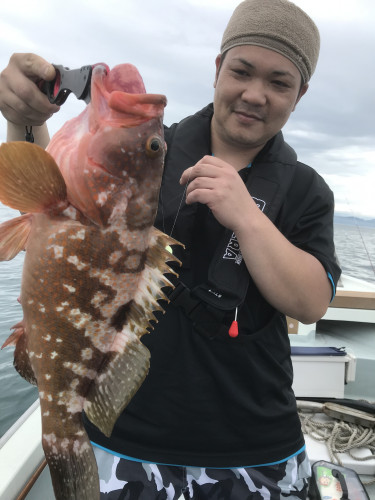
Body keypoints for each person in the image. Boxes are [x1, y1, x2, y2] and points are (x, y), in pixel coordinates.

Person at [0, 0, 341, 498]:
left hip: (257, 449)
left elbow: (312, 302)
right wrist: (24, 114)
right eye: (242, 71)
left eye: (279, 82)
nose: (254, 94)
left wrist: (247, 215)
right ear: (218, 68)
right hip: (128, 440)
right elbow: (54, 194)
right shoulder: (148, 153)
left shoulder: (307, 190)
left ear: (300, 93)